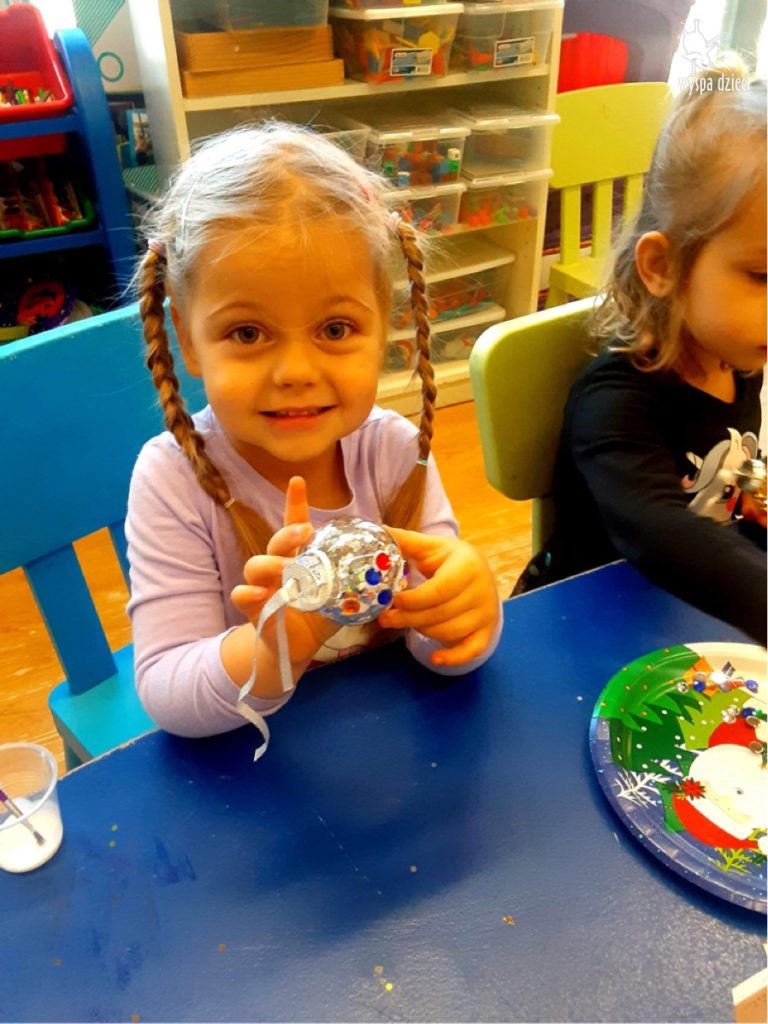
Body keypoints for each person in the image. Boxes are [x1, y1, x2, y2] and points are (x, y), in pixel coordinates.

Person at [127, 123, 501, 738]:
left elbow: (442, 652)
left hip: (392, 744)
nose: (296, 372)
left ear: (384, 328)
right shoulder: (173, 479)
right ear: (189, 341)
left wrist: (468, 612)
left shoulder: (393, 451)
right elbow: (168, 693)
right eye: (248, 333)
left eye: (334, 329)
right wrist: (274, 652)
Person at [514, 65, 767, 645]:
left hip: (681, 611)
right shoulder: (615, 399)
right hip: (581, 622)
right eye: (762, 275)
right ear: (662, 266)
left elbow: (729, 480)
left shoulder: (740, 358)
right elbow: (659, 532)